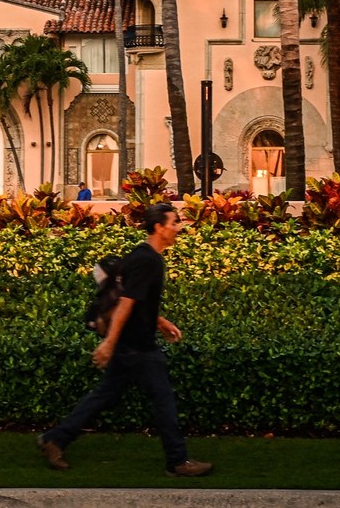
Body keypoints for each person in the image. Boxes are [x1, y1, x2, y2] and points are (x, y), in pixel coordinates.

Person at [38, 202, 213, 478]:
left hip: (132, 343)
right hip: (136, 346)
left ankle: (56, 439)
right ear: (159, 227)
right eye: (174, 223)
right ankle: (177, 461)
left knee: (105, 394)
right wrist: (109, 342)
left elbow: (136, 300)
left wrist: (161, 322)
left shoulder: (145, 256)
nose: (178, 228)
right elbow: (126, 303)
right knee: (163, 399)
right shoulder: (147, 260)